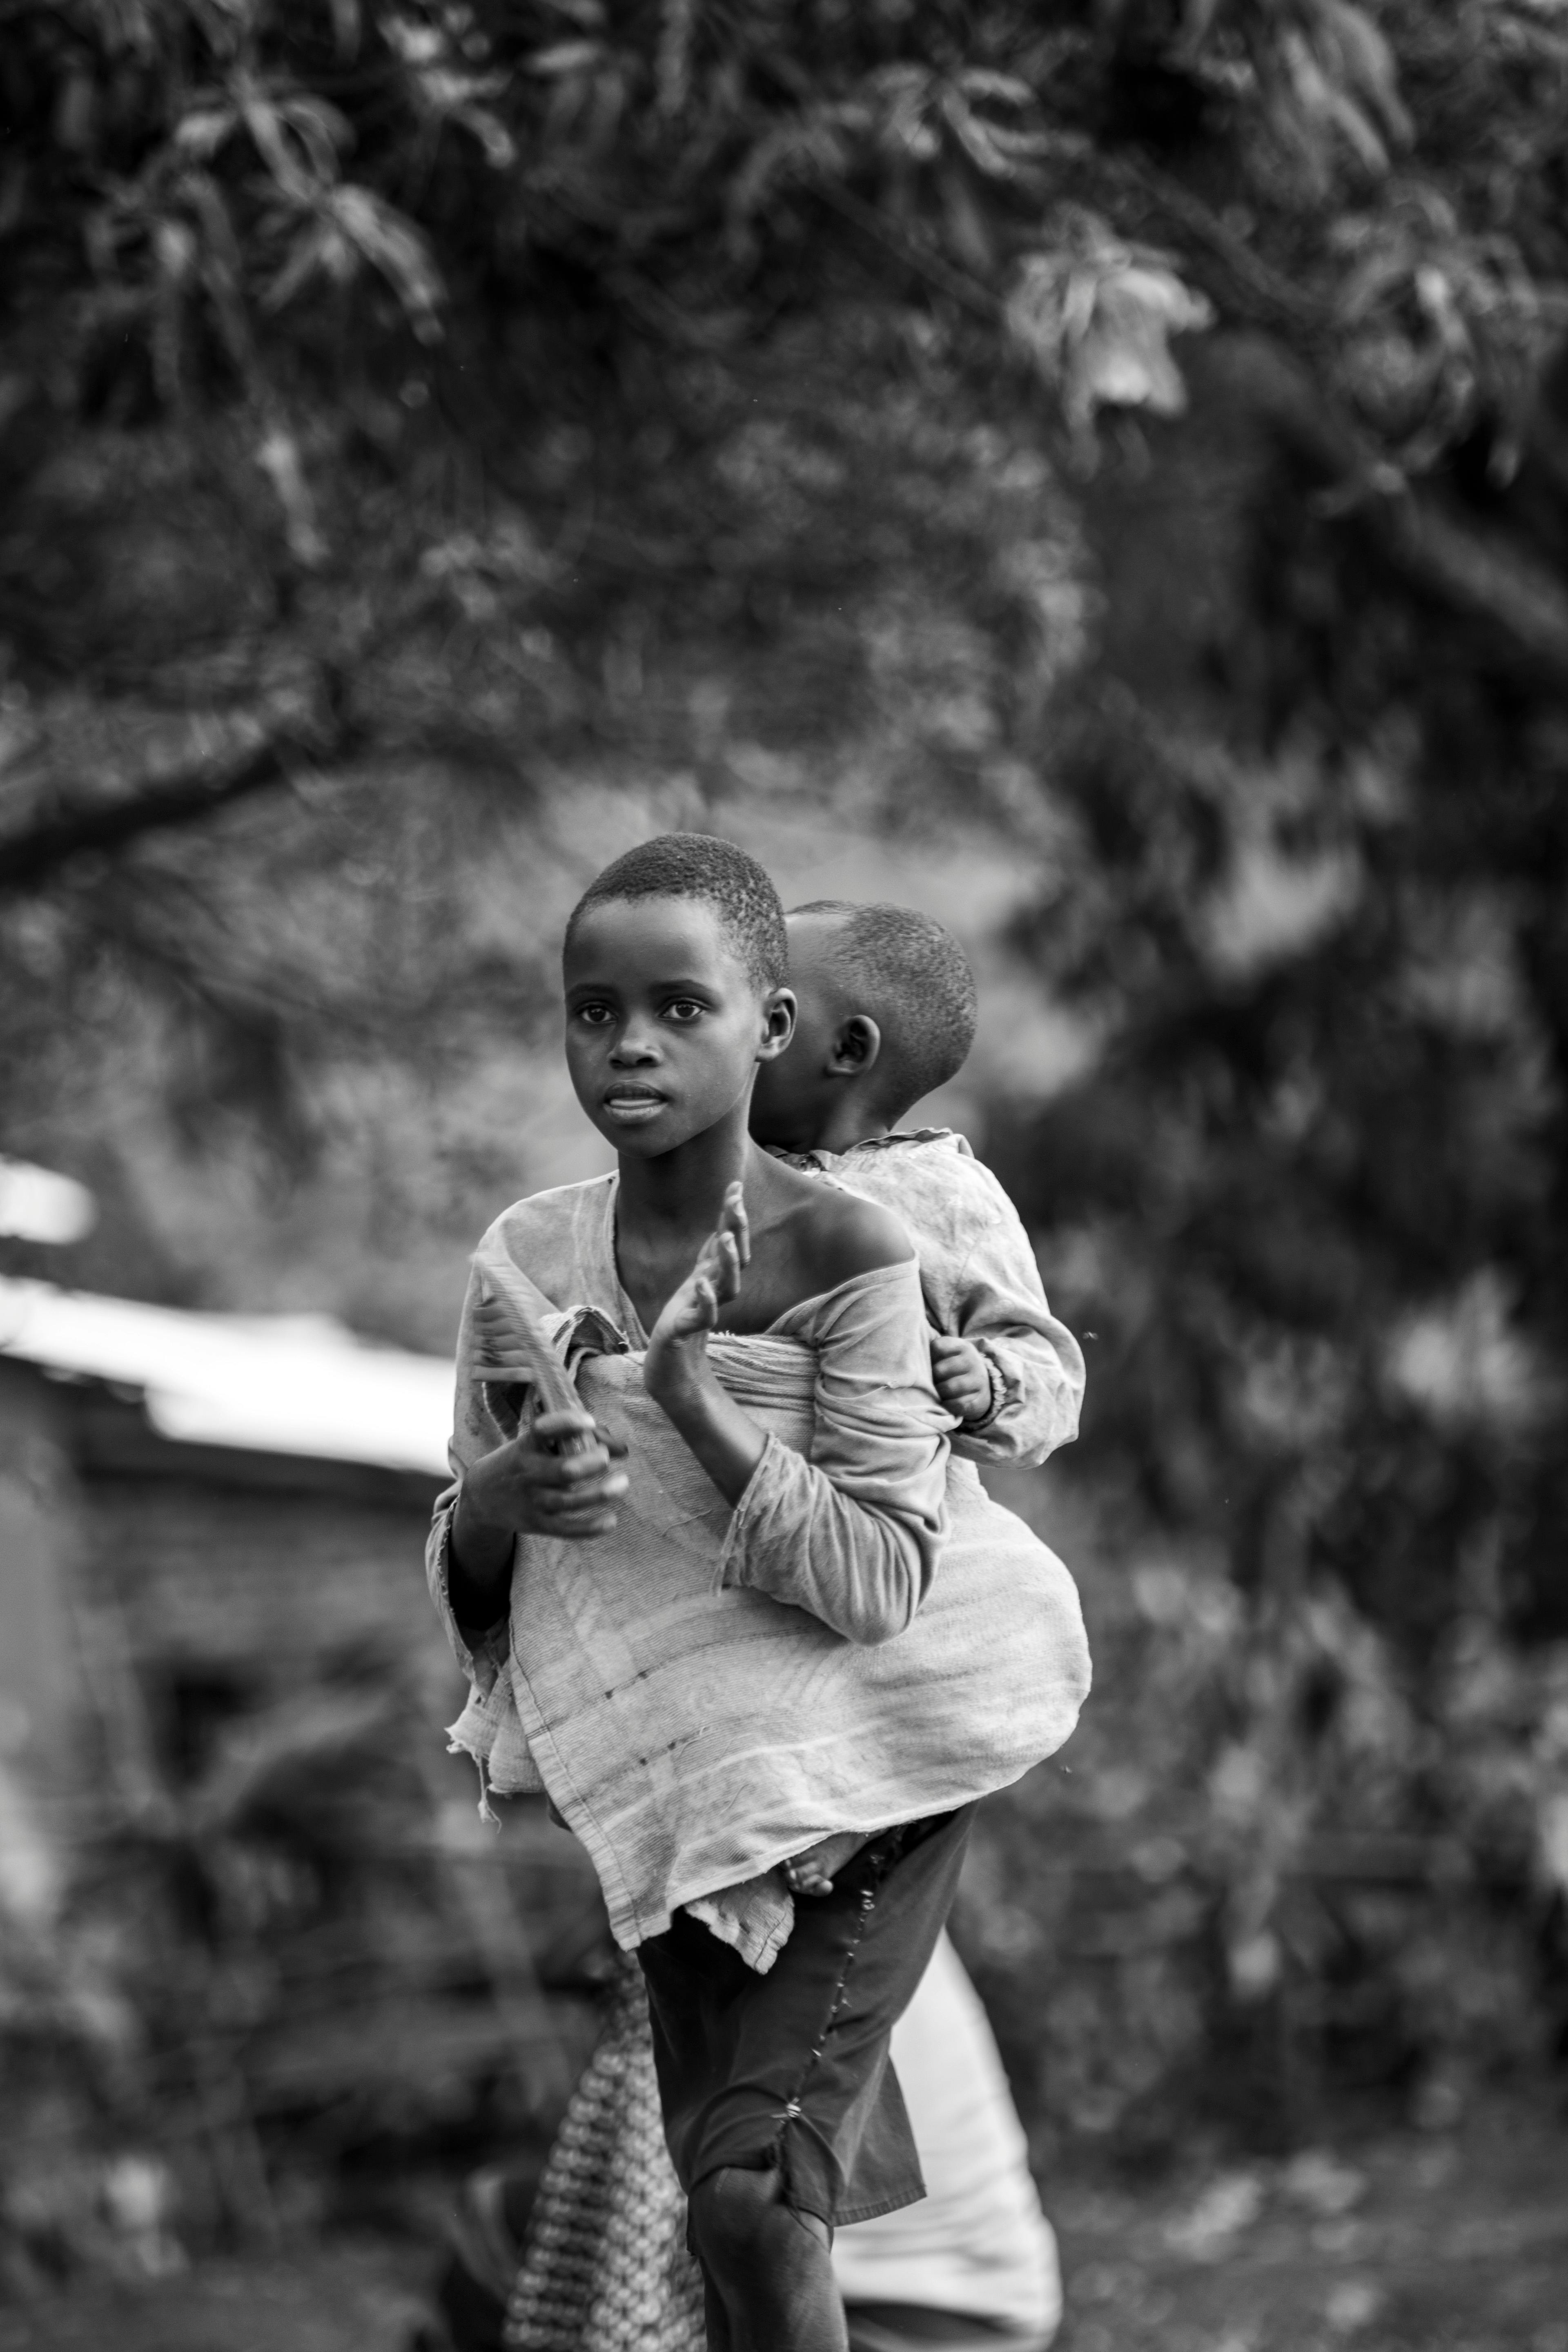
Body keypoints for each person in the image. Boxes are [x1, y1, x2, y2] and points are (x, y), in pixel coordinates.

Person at [427, 834, 1089, 2352]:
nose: (631, 1044)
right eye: (595, 1011)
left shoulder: (882, 1230)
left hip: (874, 1745)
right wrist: (508, 1502)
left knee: (748, 2203)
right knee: (725, 2224)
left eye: (685, 1006)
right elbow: (473, 1534)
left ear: (784, 1031)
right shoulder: (526, 1257)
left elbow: (893, 1552)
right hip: (688, 1783)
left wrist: (714, 1400)